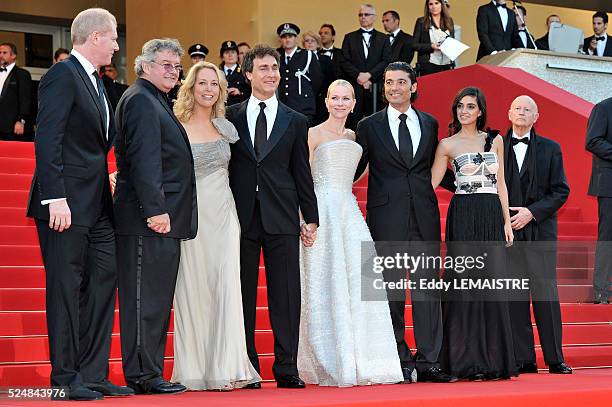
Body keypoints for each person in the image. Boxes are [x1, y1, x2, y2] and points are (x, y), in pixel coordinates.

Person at [26, 8, 133, 400]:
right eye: (113, 38)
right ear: (93, 38)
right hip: (65, 205)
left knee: (104, 283)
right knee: (66, 289)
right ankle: (66, 377)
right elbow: (48, 137)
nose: (117, 45)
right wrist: (54, 196)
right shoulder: (61, 74)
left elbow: (92, 144)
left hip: (98, 205)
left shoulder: (97, 83)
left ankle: (94, 372)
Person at [354, 62, 456, 383]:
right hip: (386, 220)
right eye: (388, 82)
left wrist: (476, 181)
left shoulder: (430, 123)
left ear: (413, 86)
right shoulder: (368, 126)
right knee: (392, 295)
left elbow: (434, 170)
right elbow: (354, 170)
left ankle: (430, 363)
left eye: (401, 82)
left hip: (424, 217)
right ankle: (399, 359)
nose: (394, 87)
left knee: (427, 292)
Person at [298, 79, 404, 387]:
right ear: (327, 101)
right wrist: (304, 218)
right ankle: (329, 359)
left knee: (361, 283)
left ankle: (365, 358)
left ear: (354, 103)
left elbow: (359, 171)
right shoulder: (312, 134)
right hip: (321, 212)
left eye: (346, 98)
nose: (340, 103)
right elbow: (303, 179)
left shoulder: (354, 135)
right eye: (335, 97)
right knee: (323, 281)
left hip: (348, 211)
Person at [226, 44, 319, 389]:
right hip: (240, 219)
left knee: (285, 295)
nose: (271, 74)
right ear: (248, 74)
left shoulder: (296, 120)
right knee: (243, 296)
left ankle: (286, 367)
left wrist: (311, 216)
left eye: (274, 68)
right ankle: (248, 367)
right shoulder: (230, 115)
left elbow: (301, 172)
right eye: (263, 68)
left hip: (281, 217)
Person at [113, 38, 197, 395]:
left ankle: (149, 371)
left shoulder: (152, 100)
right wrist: (156, 210)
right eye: (165, 64)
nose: (172, 72)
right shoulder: (142, 101)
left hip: (159, 220)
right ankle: (144, 375)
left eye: (176, 67)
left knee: (155, 300)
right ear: (144, 65)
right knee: (144, 301)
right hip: (148, 222)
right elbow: (145, 160)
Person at [170, 61, 260, 390]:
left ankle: (227, 367)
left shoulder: (228, 128)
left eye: (215, 84)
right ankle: (194, 369)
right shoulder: (175, 125)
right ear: (190, 88)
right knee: (192, 289)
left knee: (225, 286)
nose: (209, 89)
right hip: (190, 217)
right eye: (203, 83)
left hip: (224, 216)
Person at [431, 86, 517, 380]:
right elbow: (430, 184)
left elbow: (502, 183)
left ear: (480, 111)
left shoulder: (495, 140)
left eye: (470, 106)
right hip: (464, 213)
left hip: (491, 212)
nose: (464, 111)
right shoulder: (446, 144)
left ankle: (491, 360)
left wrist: (506, 221)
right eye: (460, 106)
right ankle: (463, 359)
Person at [503, 95, 572, 375]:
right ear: (509, 113)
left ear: (536, 116)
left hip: (540, 231)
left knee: (546, 295)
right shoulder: (494, 146)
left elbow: (561, 190)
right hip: (506, 233)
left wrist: (531, 212)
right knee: (514, 297)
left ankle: (555, 358)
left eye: (527, 109)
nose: (521, 112)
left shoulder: (551, 149)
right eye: (517, 108)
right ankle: (523, 359)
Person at [341, 4, 391, 127]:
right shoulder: (349, 37)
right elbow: (344, 61)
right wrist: (359, 76)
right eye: (360, 15)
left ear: (374, 17)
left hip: (376, 87)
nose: (363, 17)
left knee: (376, 120)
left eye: (366, 14)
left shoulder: (383, 38)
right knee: (353, 120)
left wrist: (369, 75)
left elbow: (386, 60)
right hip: (355, 86)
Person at [586, 96, 612, 304]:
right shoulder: (603, 108)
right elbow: (593, 141)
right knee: (608, 236)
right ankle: (601, 291)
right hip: (609, 185)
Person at [277, 23, 322, 124]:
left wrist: (305, 96)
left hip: (303, 107)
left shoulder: (307, 55)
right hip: (283, 108)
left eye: (290, 36)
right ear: (280, 40)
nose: (287, 39)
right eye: (284, 37)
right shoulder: (277, 57)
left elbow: (317, 81)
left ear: (296, 39)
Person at [413, 0, 455, 76]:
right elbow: (414, 44)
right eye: (430, 4)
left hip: (446, 64)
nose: (434, 6)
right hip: (428, 64)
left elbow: (452, 40)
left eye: (436, 3)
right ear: (427, 7)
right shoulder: (421, 22)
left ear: (442, 5)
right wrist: (431, 46)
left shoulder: (449, 21)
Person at [0, 42, 32, 141]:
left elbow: (25, 99)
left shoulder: (22, 74)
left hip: (11, 127)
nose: (1, 55)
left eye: (4, 53)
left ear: (13, 55)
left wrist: (21, 120)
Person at [220, 40, 250, 105]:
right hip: (221, 109)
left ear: (237, 55)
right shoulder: (217, 72)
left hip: (239, 108)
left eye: (233, 52)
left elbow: (250, 92)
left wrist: (239, 92)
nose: (230, 55)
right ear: (222, 57)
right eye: (227, 52)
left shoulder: (245, 72)